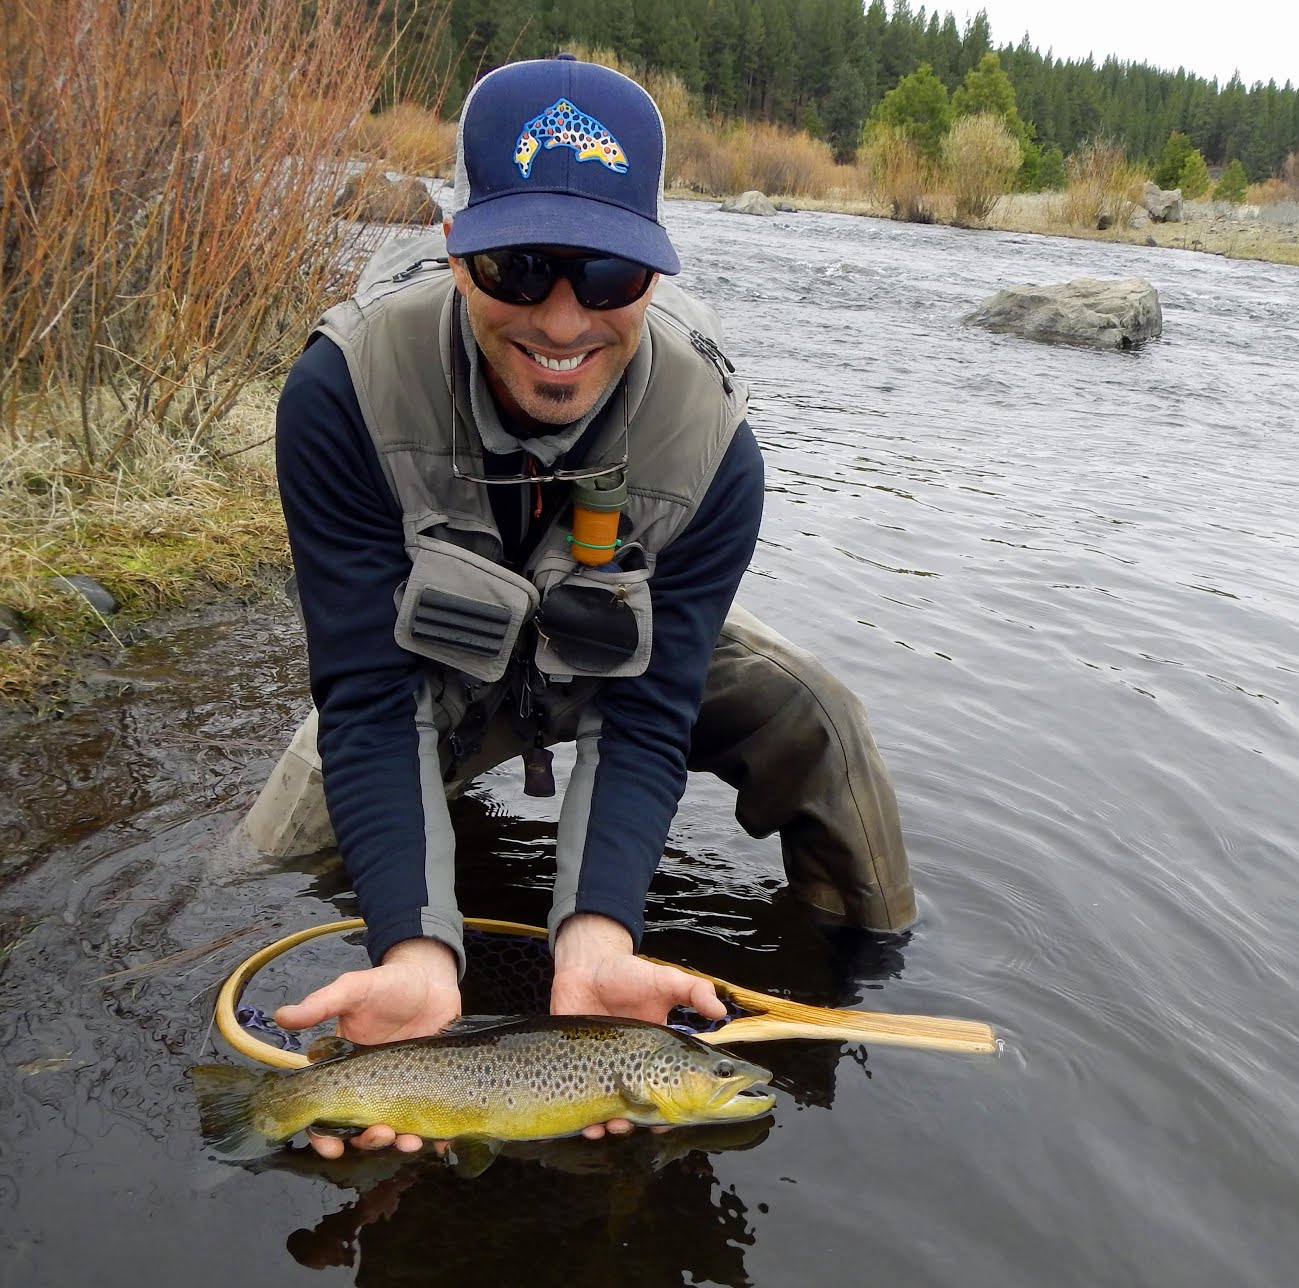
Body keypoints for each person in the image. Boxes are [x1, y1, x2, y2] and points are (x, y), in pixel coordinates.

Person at [242, 55, 916, 1157]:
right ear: (457, 251)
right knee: (267, 861)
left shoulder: (713, 448)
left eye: (607, 275)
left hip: (614, 654)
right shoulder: (343, 392)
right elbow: (368, 696)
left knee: (816, 711)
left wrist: (595, 929)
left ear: (653, 273)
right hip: (425, 669)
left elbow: (648, 711)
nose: (562, 319)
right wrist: (418, 947)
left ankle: (870, 960)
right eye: (518, 265)